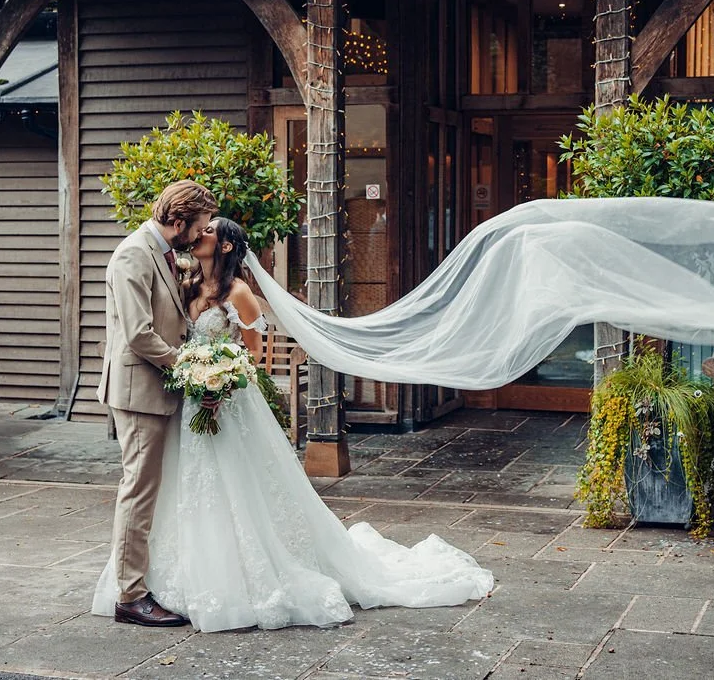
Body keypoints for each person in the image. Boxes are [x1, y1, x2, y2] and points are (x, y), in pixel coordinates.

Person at [92, 218, 494, 632]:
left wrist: (220, 385)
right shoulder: (187, 284)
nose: (199, 236)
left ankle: (243, 576)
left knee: (233, 489)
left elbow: (250, 358)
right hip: (188, 402)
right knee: (182, 489)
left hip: (225, 402)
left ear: (227, 247)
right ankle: (174, 576)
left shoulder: (240, 293)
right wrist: (194, 378)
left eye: (208, 231)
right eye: (200, 227)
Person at [96, 180, 218, 627]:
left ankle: (142, 582)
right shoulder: (132, 253)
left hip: (156, 389)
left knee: (149, 490)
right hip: (139, 392)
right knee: (139, 491)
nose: (201, 233)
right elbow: (138, 332)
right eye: (199, 225)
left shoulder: (164, 251)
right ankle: (130, 597)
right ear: (179, 220)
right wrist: (189, 368)